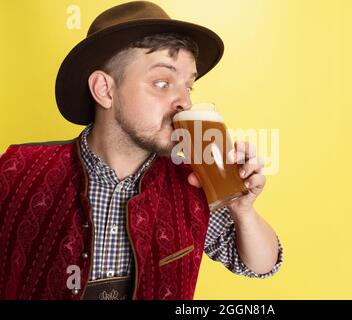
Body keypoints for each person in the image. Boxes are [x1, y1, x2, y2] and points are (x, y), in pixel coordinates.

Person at [0, 1, 283, 300]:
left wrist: (244, 211)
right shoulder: (14, 171)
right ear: (105, 90)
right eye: (162, 82)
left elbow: (261, 265)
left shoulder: (193, 183)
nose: (184, 102)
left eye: (189, 86)